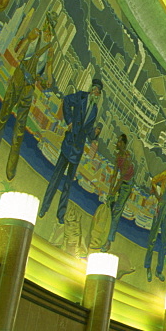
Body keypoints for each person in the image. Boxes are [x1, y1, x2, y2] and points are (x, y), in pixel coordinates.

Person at [0, 13, 55, 180]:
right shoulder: (34, 35)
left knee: (20, 130)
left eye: (51, 28)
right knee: (3, 116)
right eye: (47, 25)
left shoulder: (50, 50)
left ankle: (11, 169)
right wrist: (28, 40)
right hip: (18, 78)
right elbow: (18, 52)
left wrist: (47, 82)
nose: (47, 30)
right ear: (45, 24)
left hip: (29, 87)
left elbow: (49, 73)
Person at [39, 76, 104, 223]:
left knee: (68, 184)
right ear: (91, 89)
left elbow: (88, 133)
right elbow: (66, 101)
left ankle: (60, 214)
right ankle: (44, 207)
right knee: (56, 177)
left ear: (99, 95)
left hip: (78, 150)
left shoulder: (94, 110)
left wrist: (95, 134)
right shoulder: (81, 96)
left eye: (98, 92)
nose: (95, 92)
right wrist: (69, 122)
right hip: (69, 143)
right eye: (94, 89)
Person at [104, 133, 135, 250]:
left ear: (124, 144)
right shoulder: (118, 156)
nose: (117, 143)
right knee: (110, 207)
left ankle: (109, 240)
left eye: (119, 142)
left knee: (117, 210)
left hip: (127, 184)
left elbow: (122, 179)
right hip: (121, 182)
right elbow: (115, 174)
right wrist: (110, 191)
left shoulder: (127, 157)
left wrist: (113, 192)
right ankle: (106, 234)